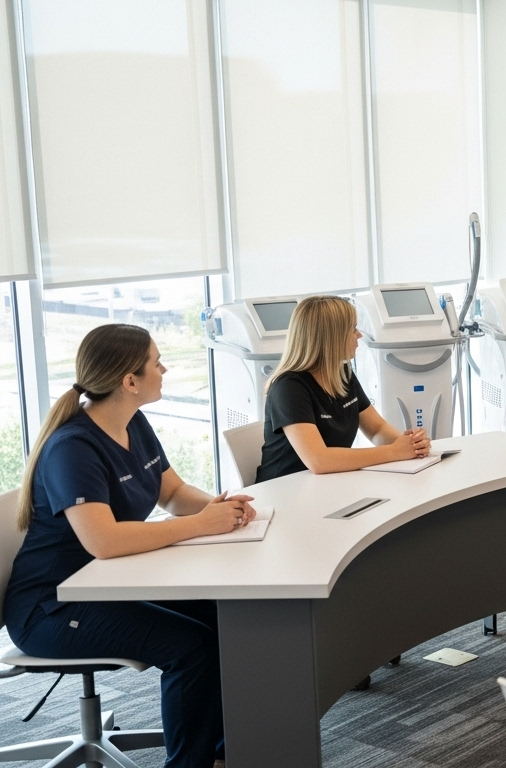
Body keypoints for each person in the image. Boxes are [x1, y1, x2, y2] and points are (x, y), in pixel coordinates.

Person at [3, 324, 254, 768]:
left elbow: (172, 493)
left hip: (108, 585)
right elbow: (104, 541)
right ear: (130, 381)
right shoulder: (72, 447)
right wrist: (200, 525)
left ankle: (221, 753)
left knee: (220, 616)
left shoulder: (132, 422)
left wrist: (218, 507)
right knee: (189, 646)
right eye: (157, 362)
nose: (165, 368)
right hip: (52, 607)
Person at [255, 295, 429, 482]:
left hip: (326, 484)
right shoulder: (288, 388)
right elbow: (319, 460)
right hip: (284, 491)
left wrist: (411, 445)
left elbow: (377, 429)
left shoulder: (342, 373)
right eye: (353, 329)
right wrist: (393, 452)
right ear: (332, 338)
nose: (359, 335)